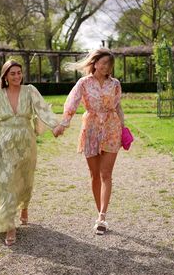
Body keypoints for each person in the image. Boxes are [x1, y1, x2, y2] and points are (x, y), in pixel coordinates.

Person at [0, 59, 59, 246]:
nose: (17, 76)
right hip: (5, 144)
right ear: (5, 76)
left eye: (19, 72)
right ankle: (10, 226)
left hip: (26, 142)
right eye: (12, 73)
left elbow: (42, 109)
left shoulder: (30, 91)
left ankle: (24, 206)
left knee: (25, 179)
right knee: (7, 182)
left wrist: (55, 126)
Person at [53, 48, 124, 235]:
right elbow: (72, 103)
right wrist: (63, 124)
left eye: (110, 64)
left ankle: (102, 216)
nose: (107, 67)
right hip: (91, 129)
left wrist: (123, 130)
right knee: (94, 175)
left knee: (106, 174)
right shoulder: (83, 83)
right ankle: (98, 210)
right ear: (95, 62)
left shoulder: (115, 84)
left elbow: (118, 107)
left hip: (111, 129)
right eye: (104, 62)